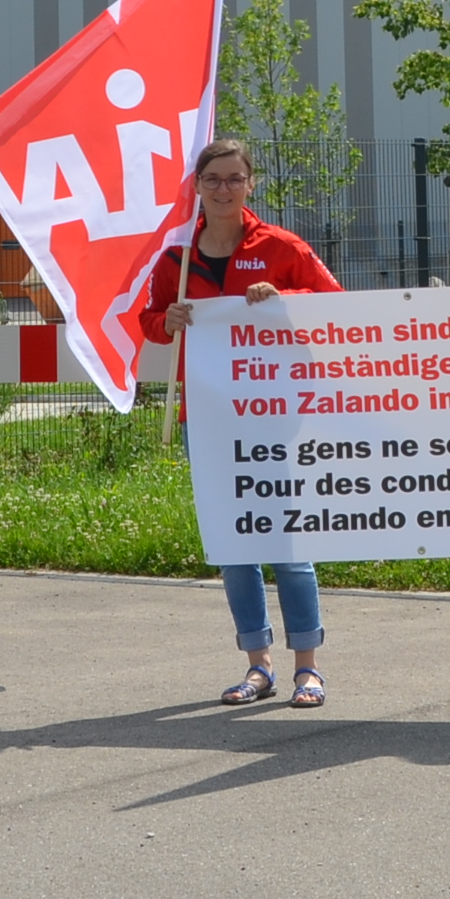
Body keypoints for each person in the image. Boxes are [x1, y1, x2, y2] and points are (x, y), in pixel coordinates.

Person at [136, 138, 342, 710]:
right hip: (209, 417)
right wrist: (165, 319)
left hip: (277, 415)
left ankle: (309, 668)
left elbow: (335, 304)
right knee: (234, 546)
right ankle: (258, 666)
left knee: (287, 543)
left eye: (234, 179)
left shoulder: (281, 246)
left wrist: (284, 296)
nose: (223, 189)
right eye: (212, 180)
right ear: (197, 187)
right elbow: (151, 320)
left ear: (251, 184)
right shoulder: (176, 259)